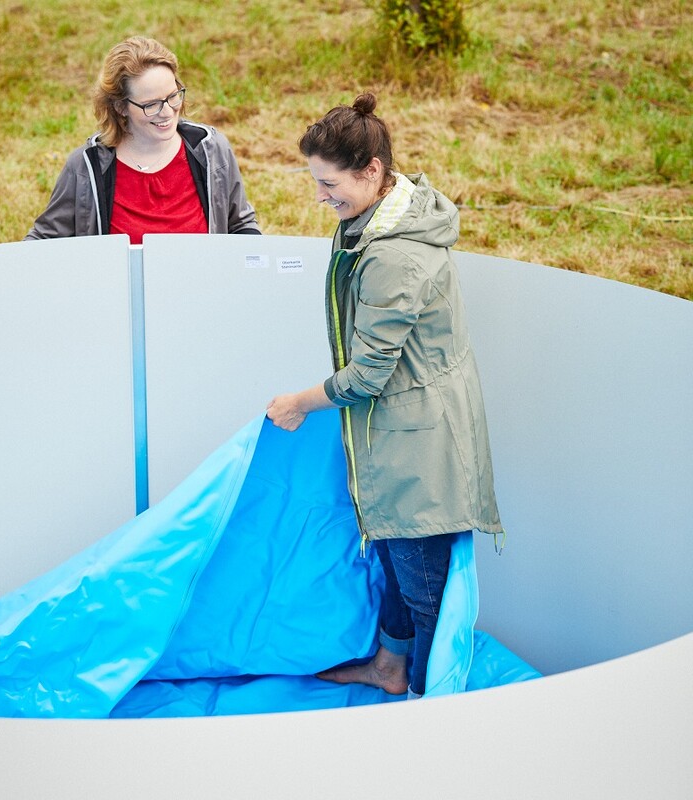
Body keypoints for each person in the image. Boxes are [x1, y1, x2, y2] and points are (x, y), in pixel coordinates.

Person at [266, 93, 502, 699]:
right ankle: (391, 668)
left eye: (329, 183)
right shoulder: (378, 222)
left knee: (424, 588)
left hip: (418, 445)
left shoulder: (393, 255)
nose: (322, 197)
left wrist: (298, 402)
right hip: (403, 429)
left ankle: (425, 704)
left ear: (372, 171)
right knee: (399, 571)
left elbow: (369, 373)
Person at [26, 36, 260, 241]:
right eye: (151, 105)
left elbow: (241, 225)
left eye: (172, 96)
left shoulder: (211, 150)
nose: (167, 112)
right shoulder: (85, 167)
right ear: (120, 107)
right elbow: (46, 239)